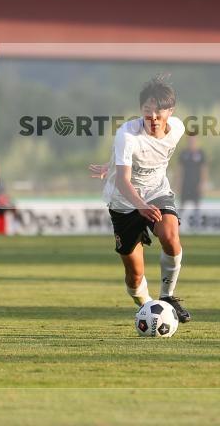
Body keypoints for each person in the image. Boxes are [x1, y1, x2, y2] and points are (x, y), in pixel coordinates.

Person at [88, 75, 191, 323]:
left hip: (157, 192)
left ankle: (167, 297)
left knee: (170, 236)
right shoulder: (127, 134)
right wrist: (139, 205)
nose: (153, 118)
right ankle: (147, 307)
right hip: (124, 203)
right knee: (134, 275)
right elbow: (123, 181)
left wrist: (108, 164)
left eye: (159, 112)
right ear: (141, 111)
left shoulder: (177, 128)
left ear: (171, 112)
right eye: (147, 112)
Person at [178, 135, 207, 210]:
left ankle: (196, 221)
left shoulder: (200, 153)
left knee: (196, 206)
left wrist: (202, 183)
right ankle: (179, 221)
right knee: (182, 205)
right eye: (190, 140)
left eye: (193, 140)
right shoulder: (184, 153)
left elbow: (203, 169)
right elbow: (180, 169)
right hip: (185, 183)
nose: (192, 142)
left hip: (196, 184)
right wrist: (178, 183)